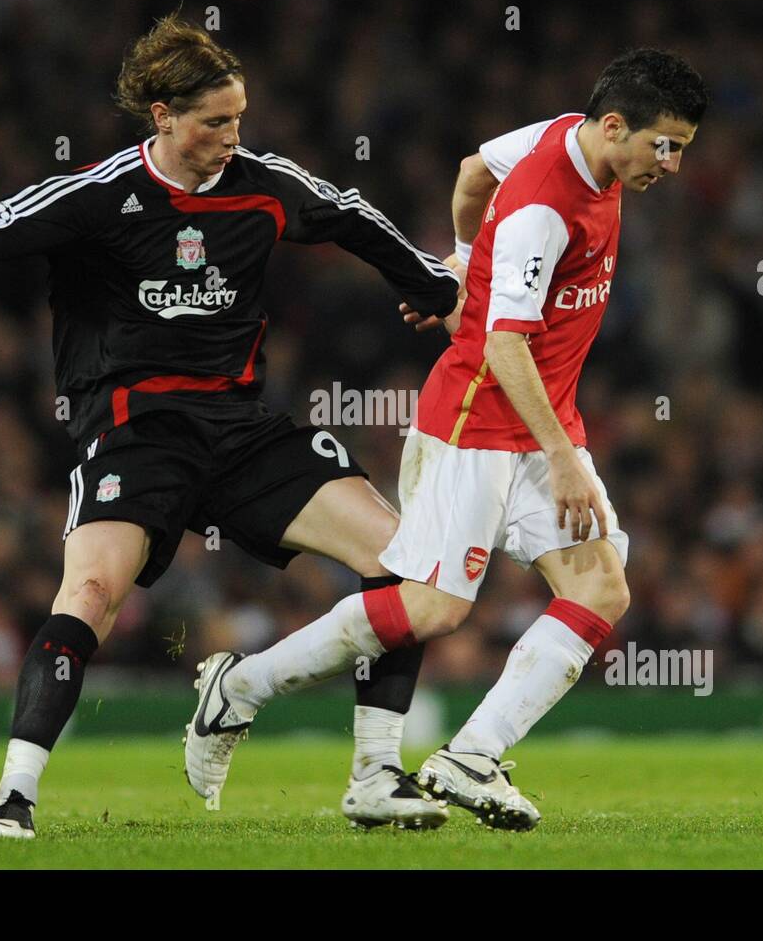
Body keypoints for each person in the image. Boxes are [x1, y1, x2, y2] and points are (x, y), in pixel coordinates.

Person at [0, 14, 461, 836]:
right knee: (90, 594)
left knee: (404, 563)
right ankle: (14, 794)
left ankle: (374, 773)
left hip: (240, 427)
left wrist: (437, 291)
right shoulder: (97, 196)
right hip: (136, 430)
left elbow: (350, 217)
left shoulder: (266, 185)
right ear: (163, 117)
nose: (232, 137)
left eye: (239, 118)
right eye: (214, 122)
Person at [186, 48, 708, 829]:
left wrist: (463, 263)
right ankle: (241, 688)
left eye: (682, 149)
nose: (669, 163)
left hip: (540, 421)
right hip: (475, 417)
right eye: (662, 144)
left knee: (601, 586)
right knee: (431, 610)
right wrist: (564, 460)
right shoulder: (544, 207)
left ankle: (473, 755)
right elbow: (504, 346)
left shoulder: (560, 137)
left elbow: (470, 171)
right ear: (612, 126)